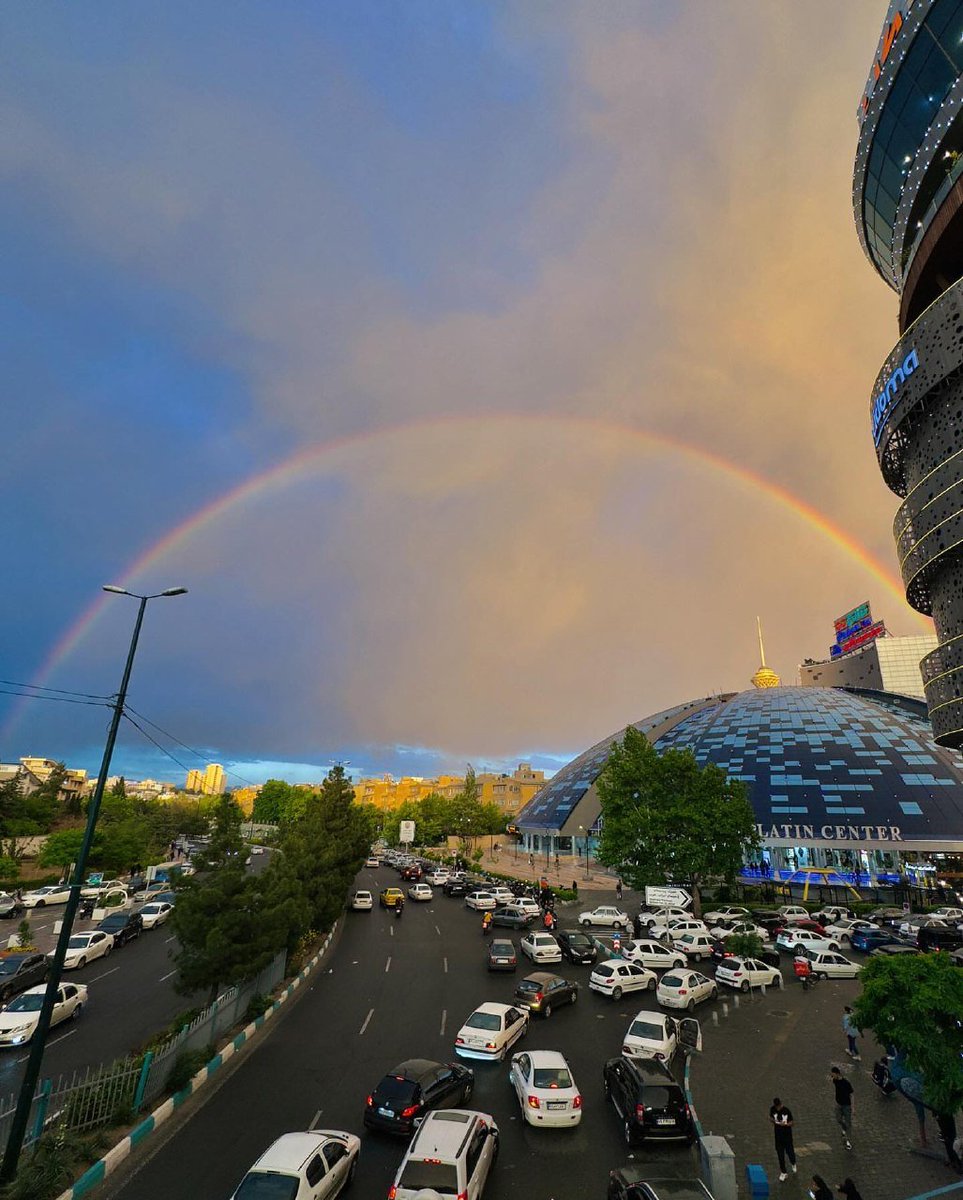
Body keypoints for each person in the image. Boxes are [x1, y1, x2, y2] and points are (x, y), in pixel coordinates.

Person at [769, 1097, 797, 1181]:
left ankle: (793, 1163)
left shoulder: (786, 1111)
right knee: (780, 1155)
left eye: (779, 1106)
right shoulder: (772, 1109)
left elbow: (792, 1123)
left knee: (790, 1153)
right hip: (778, 1137)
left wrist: (786, 1124)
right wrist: (774, 1121)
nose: (778, 1108)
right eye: (776, 1107)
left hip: (787, 1136)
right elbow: (770, 1118)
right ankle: (783, 1172)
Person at [830, 1067, 854, 1150]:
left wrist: (853, 1107)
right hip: (839, 1104)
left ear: (837, 1074)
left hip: (847, 1106)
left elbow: (851, 1094)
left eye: (833, 1075)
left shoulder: (846, 1083)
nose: (832, 1077)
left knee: (848, 1123)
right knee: (838, 1119)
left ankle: (848, 1141)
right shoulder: (835, 1081)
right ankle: (844, 1128)